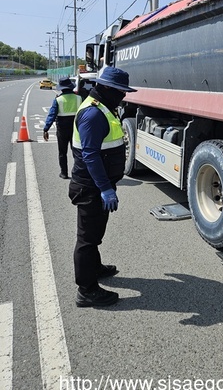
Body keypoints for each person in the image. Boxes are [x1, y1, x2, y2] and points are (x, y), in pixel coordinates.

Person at [68, 67, 136, 307]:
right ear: (106, 88)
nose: (124, 96)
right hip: (90, 187)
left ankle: (94, 268)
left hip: (98, 186)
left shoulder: (104, 108)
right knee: (86, 239)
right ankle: (86, 291)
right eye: (121, 91)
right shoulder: (94, 114)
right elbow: (90, 155)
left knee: (95, 233)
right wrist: (105, 188)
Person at [43, 77, 82, 179]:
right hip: (76, 129)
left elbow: (51, 115)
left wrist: (46, 129)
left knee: (62, 152)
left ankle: (64, 173)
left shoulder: (58, 100)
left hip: (62, 130)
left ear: (61, 88)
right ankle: (77, 173)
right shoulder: (79, 98)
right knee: (77, 152)